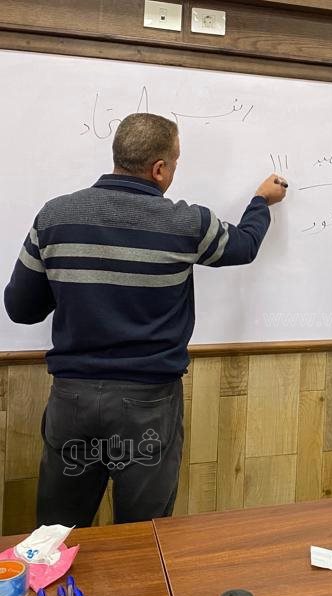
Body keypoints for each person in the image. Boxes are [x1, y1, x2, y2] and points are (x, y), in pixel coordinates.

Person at [4, 112, 287, 527]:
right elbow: (243, 247)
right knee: (144, 534)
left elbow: (21, 309)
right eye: (175, 161)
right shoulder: (188, 222)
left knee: (58, 536)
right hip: (148, 404)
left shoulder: (55, 216)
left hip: (72, 400)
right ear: (158, 169)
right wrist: (261, 201)